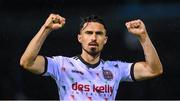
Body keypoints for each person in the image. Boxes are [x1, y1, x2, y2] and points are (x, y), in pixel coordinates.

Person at [20, 13, 163, 100]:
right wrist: (46, 29)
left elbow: (154, 70)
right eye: (88, 33)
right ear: (80, 38)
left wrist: (143, 36)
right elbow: (27, 62)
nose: (93, 37)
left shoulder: (115, 68)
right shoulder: (62, 65)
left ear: (105, 40)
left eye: (99, 33)